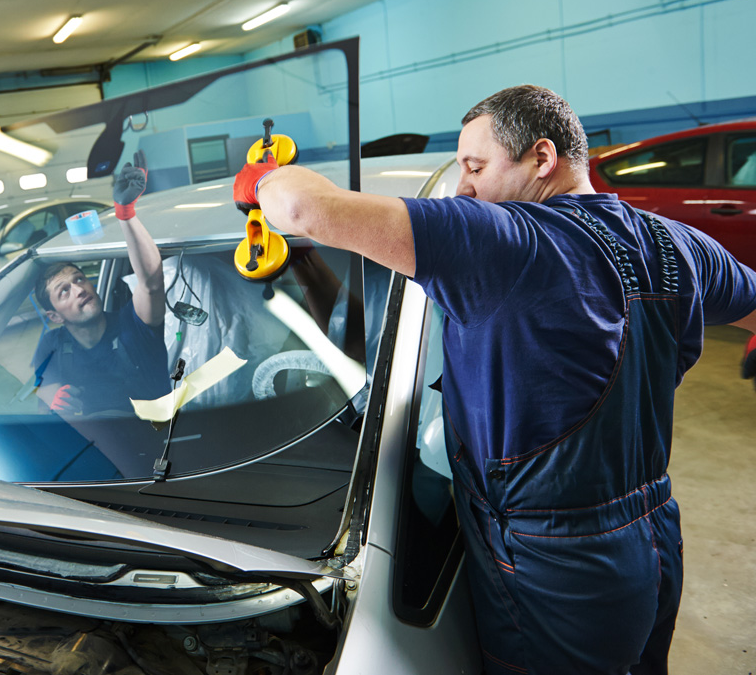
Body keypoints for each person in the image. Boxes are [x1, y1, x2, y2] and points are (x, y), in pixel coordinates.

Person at [234, 85, 756, 675]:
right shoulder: (676, 243)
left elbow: (304, 211)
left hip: (554, 567)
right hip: (654, 536)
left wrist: (262, 179)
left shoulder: (503, 240)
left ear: (542, 158)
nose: (464, 188)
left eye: (476, 167)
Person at [32, 152, 169, 416]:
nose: (79, 289)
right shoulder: (51, 346)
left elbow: (151, 282)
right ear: (54, 316)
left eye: (79, 279)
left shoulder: (133, 324)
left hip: (159, 442)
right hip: (98, 447)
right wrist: (52, 398)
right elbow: (43, 392)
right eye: (65, 292)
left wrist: (126, 214)